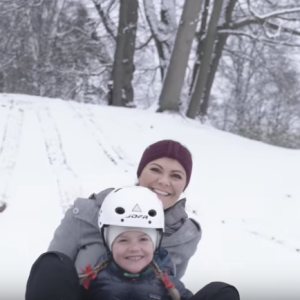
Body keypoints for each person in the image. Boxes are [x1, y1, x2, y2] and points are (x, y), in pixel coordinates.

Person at [25, 186, 239, 300]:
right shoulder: (96, 277)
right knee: (51, 265)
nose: (134, 247)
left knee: (222, 292)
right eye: (123, 239)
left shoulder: (166, 282)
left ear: (155, 243)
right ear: (109, 244)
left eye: (144, 239)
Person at [46, 139, 201, 280]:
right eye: (155, 170)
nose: (163, 181)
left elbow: (174, 289)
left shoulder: (185, 236)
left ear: (184, 185)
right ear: (140, 173)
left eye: (176, 176)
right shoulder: (85, 216)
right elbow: (48, 277)